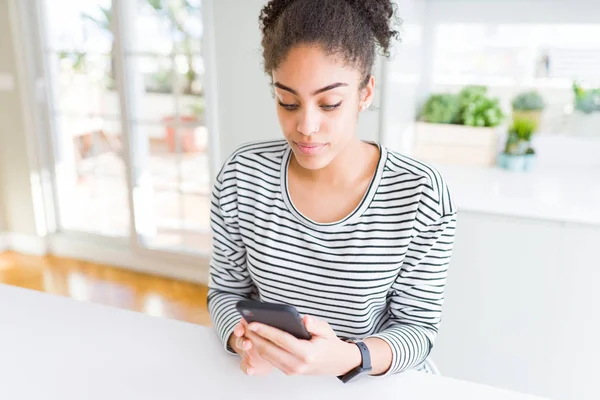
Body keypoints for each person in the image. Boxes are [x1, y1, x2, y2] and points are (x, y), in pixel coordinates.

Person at [207, 0, 457, 380]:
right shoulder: (243, 177)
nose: (306, 126)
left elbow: (419, 330)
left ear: (365, 93)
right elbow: (225, 294)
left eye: (330, 104)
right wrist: (241, 339)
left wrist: (349, 357)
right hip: (274, 383)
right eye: (287, 102)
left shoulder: (421, 194)